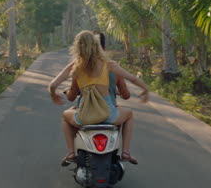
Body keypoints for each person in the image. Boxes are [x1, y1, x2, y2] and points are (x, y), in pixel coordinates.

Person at [49, 30, 149, 166]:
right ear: (96, 44)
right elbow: (133, 78)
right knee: (129, 114)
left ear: (77, 47)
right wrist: (145, 89)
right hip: (108, 114)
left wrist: (54, 95)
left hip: (84, 117)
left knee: (65, 116)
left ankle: (71, 153)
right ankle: (125, 152)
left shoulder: (75, 67)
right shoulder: (108, 64)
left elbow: (53, 84)